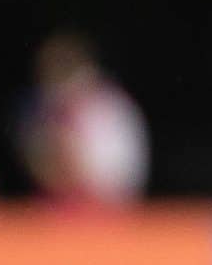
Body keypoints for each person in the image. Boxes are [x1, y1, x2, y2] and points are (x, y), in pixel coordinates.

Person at [18, 31, 148, 205]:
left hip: (104, 206)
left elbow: (123, 174)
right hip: (52, 207)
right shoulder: (41, 109)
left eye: (61, 67)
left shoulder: (110, 107)